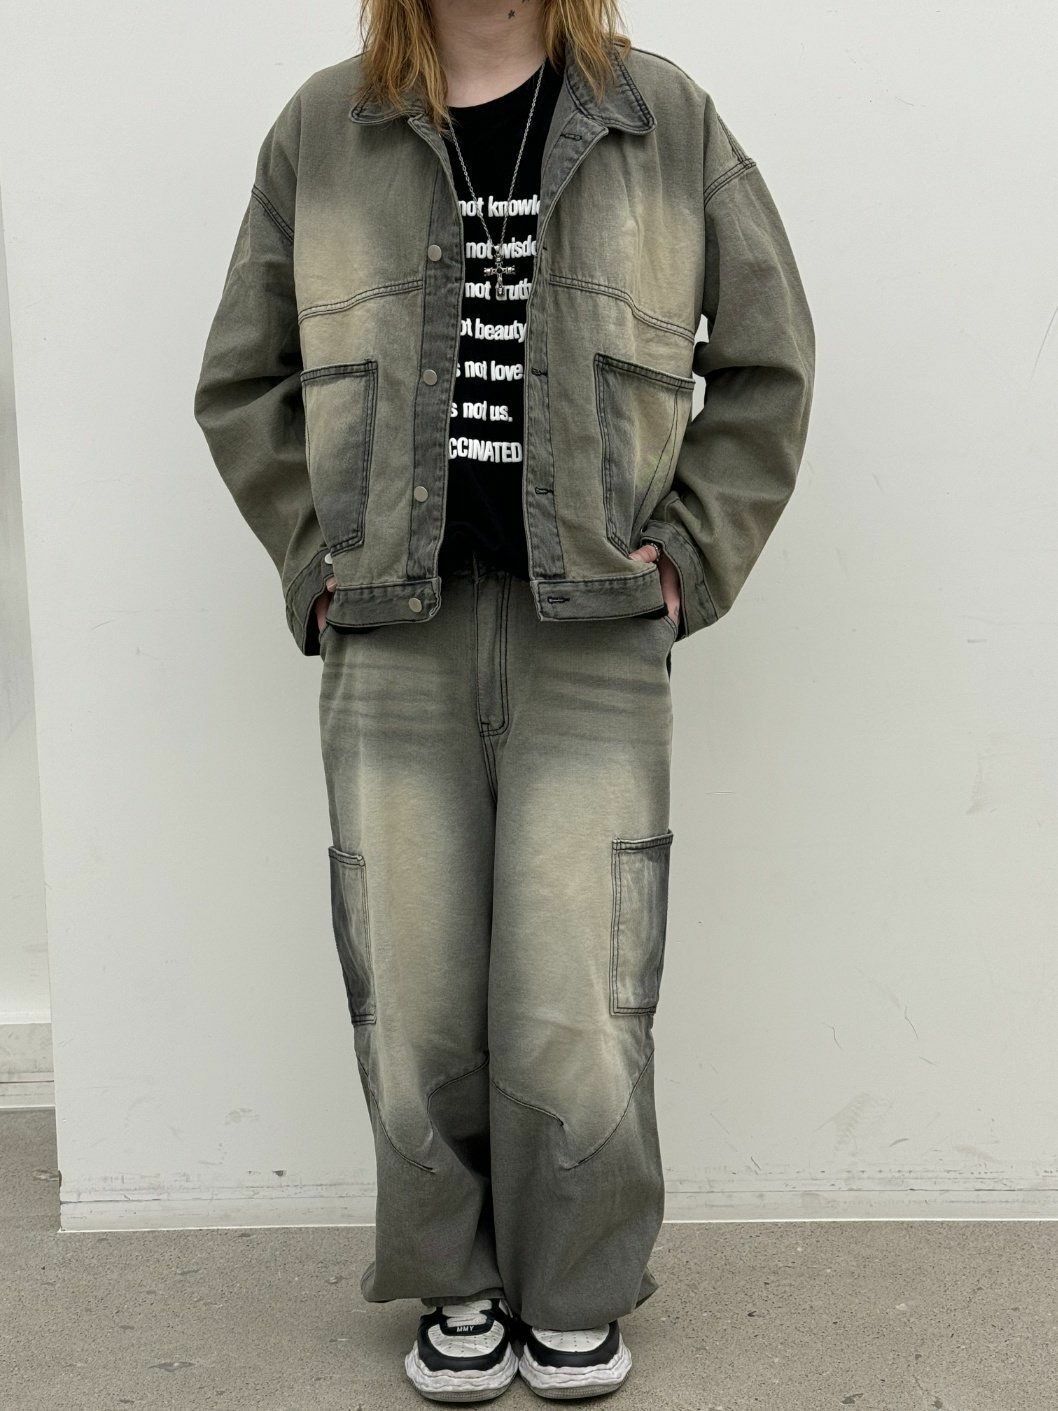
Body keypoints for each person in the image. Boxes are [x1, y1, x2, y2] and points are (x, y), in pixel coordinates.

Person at [193, 0, 815, 1400]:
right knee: (408, 975)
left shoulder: (662, 120)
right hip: (392, 626)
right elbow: (243, 379)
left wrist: (688, 556)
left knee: (581, 980)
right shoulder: (324, 127)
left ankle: (575, 1283)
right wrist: (316, 559)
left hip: (592, 629)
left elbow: (768, 365)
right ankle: (453, 1279)